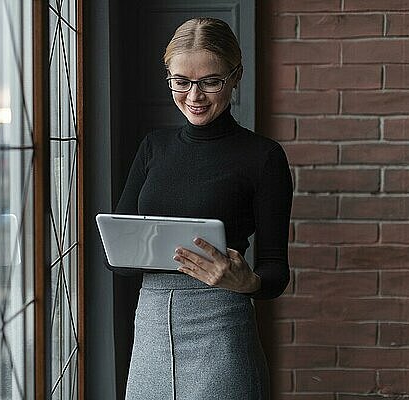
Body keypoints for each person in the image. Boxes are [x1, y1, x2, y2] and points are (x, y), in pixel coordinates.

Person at [106, 17, 294, 399]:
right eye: (181, 82)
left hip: (222, 323)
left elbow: (276, 268)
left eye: (210, 82)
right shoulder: (153, 147)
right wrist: (127, 251)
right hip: (153, 324)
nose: (194, 96)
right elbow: (118, 258)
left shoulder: (263, 157)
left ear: (235, 76)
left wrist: (249, 282)